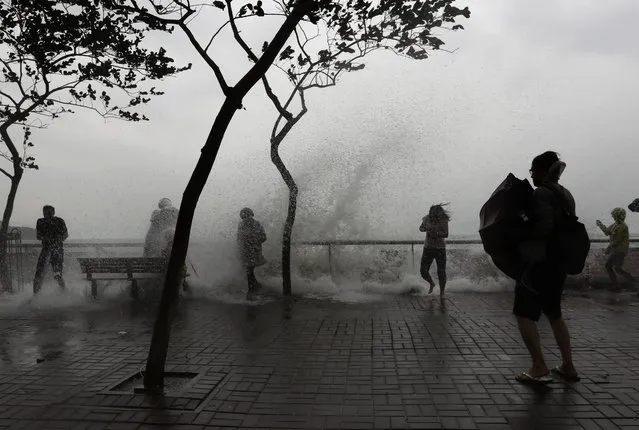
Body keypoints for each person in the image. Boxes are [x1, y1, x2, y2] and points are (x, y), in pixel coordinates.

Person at [514, 151, 579, 384]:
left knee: (523, 312)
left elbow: (542, 229)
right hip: (559, 262)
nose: (531, 176)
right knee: (554, 313)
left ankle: (539, 366)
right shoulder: (565, 194)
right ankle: (568, 366)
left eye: (533, 171)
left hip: (540, 261)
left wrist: (522, 218)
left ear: (543, 171)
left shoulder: (540, 194)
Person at [597, 208, 635, 289]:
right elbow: (607, 232)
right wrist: (600, 225)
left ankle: (624, 283)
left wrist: (608, 248)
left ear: (617, 216)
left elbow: (618, 240)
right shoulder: (615, 225)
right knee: (616, 268)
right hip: (617, 250)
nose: (613, 217)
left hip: (620, 250)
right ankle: (628, 282)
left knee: (610, 267)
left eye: (614, 215)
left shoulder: (623, 226)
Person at [33, 205, 68, 294]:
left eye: (49, 213)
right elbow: (38, 236)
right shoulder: (40, 221)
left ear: (53, 212)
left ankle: (64, 292)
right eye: (45, 213)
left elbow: (66, 235)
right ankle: (35, 296)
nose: (47, 215)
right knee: (39, 273)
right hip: (46, 250)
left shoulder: (60, 221)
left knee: (57, 274)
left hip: (57, 250)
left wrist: (57, 241)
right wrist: (45, 238)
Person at [419, 204, 450, 296]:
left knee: (441, 271)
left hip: (440, 248)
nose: (434, 217)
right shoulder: (426, 218)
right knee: (423, 271)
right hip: (428, 247)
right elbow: (420, 228)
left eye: (436, 215)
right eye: (432, 214)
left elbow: (446, 234)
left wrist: (437, 234)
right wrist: (425, 229)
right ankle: (431, 283)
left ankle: (442, 293)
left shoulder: (443, 220)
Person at [236, 208, 267, 296]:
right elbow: (238, 239)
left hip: (254, 251)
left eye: (246, 215)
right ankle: (255, 286)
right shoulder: (241, 225)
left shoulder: (256, 224)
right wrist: (240, 250)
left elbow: (264, 237)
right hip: (245, 252)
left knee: (249, 270)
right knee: (249, 271)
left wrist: (253, 241)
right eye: (243, 216)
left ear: (251, 215)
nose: (245, 218)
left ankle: (251, 290)